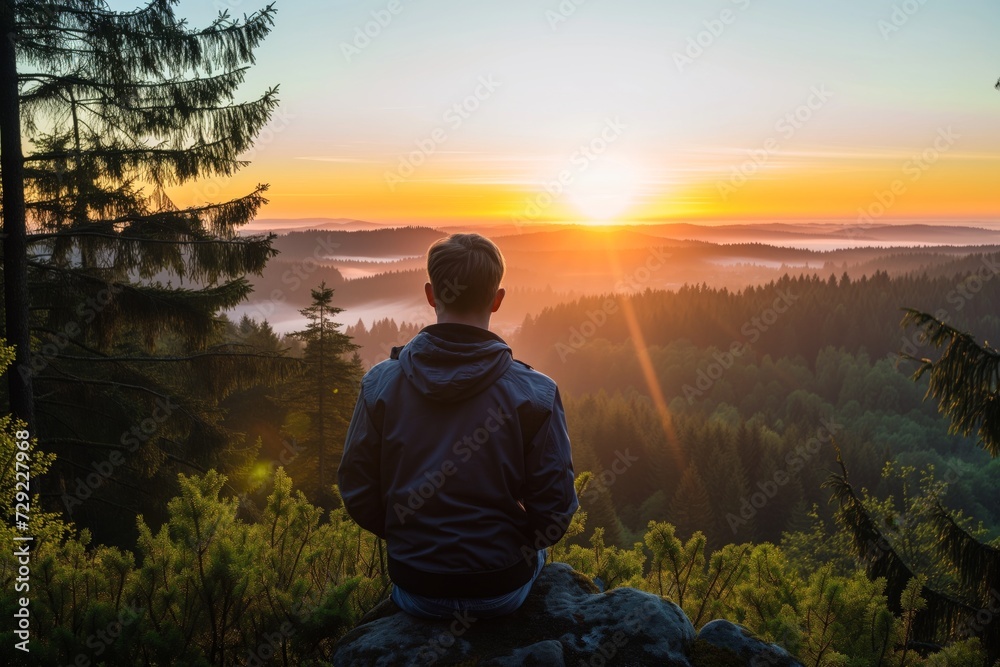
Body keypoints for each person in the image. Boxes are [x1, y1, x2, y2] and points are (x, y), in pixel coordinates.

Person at [338, 232, 578, 619]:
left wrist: (410, 536)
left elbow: (357, 487)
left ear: (432, 295)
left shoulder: (380, 384)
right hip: (501, 589)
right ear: (497, 299)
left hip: (416, 586)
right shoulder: (536, 392)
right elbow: (556, 509)